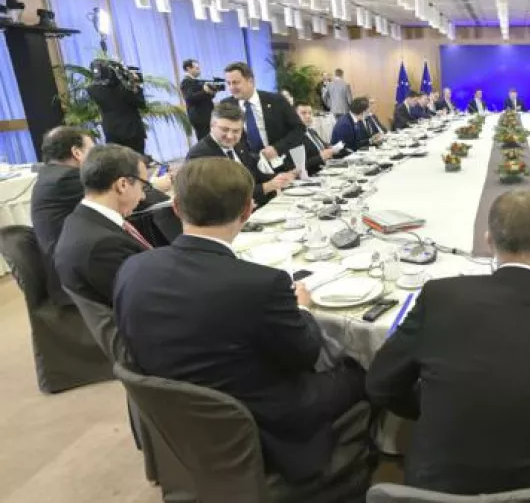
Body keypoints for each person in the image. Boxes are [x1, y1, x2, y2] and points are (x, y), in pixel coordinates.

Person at [114, 157, 367, 486]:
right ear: (248, 210)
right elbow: (305, 355)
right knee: (361, 368)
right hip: (258, 422)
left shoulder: (132, 269)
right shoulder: (262, 284)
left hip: (176, 418)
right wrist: (301, 310)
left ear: (175, 207)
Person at [367, 190, 530, 496]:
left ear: (488, 240)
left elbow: (380, 385)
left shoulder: (440, 297)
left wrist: (434, 404)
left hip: (436, 488)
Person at [53, 144, 151, 307]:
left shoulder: (81, 218)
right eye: (143, 186)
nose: (143, 196)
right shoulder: (102, 246)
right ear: (123, 185)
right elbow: (146, 299)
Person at [186, 102, 293, 207]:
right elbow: (221, 195)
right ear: (212, 126)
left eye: (236, 131)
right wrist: (266, 187)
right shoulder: (199, 155)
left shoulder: (238, 145)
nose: (230, 136)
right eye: (225, 129)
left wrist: (280, 178)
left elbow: (253, 173)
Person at [222, 62, 305, 167]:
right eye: (228, 83)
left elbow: (299, 129)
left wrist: (277, 148)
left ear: (251, 81)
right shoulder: (227, 105)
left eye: (236, 82)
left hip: (281, 162)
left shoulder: (276, 100)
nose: (231, 88)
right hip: (249, 168)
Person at [31, 126, 97, 258]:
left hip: (62, 253)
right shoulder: (67, 178)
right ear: (77, 153)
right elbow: (113, 192)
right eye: (92, 151)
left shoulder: (50, 174)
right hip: (73, 260)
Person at [86, 59, 147, 154]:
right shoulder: (123, 88)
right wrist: (134, 84)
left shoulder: (91, 90)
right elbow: (141, 103)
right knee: (136, 162)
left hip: (111, 133)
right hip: (132, 132)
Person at [180, 59, 217, 141]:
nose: (199, 70)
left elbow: (204, 96)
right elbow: (190, 98)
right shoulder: (186, 82)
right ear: (188, 69)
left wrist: (211, 92)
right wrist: (205, 92)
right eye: (196, 68)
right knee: (206, 143)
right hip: (200, 119)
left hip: (207, 117)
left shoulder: (196, 81)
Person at [295, 102, 334, 175]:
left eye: (310, 113)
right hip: (313, 176)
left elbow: (324, 146)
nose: (308, 116)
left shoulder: (311, 131)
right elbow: (299, 167)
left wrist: (332, 148)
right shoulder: (294, 137)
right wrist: (321, 157)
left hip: (327, 169)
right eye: (303, 113)